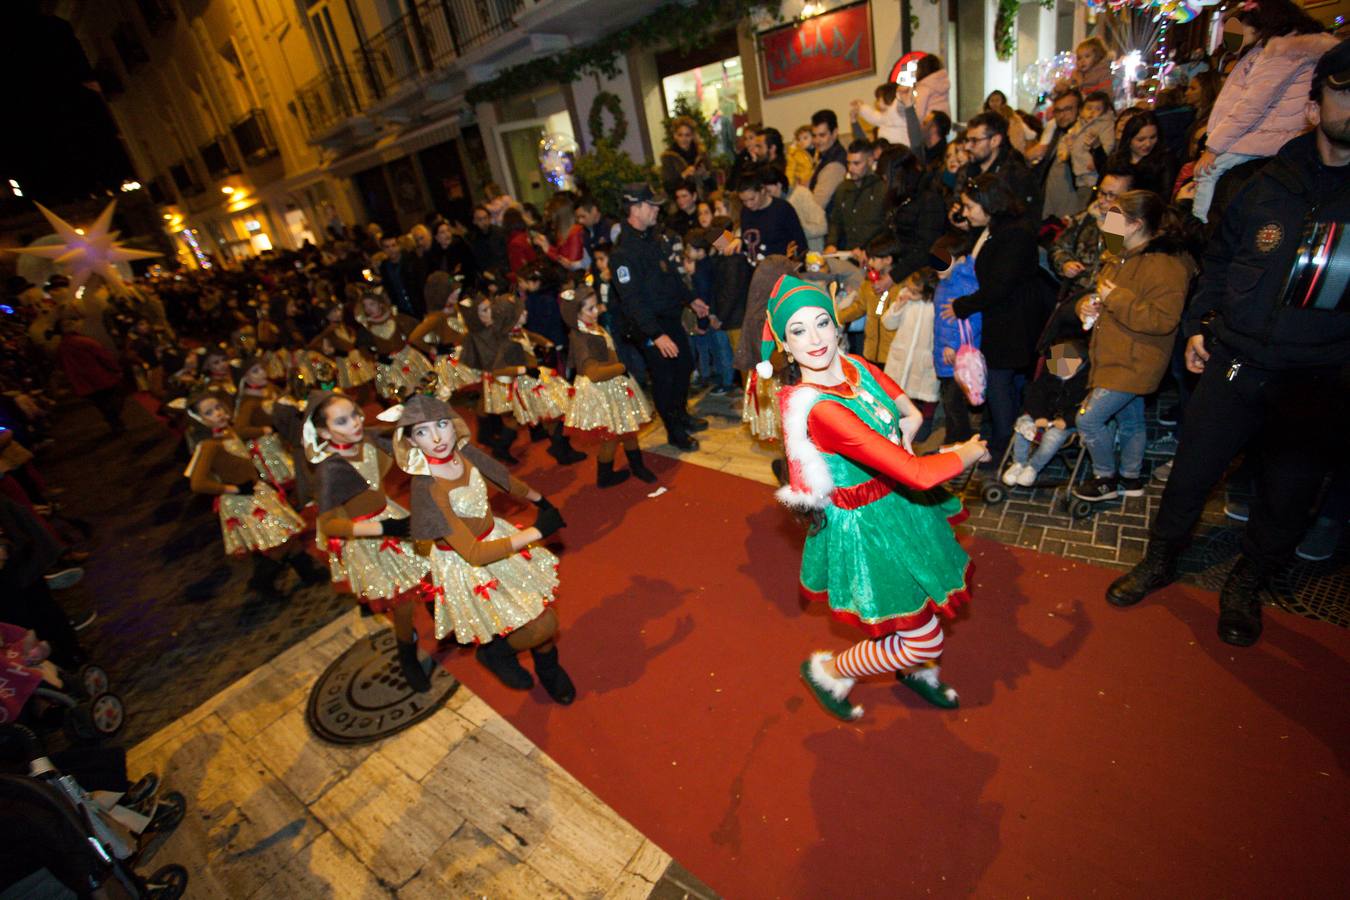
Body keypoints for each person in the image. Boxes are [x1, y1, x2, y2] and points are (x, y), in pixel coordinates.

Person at [1107, 40, 1350, 647]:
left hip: (1318, 373)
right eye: (1344, 91)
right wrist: (1198, 322)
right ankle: (1162, 557)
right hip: (1236, 357)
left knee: (1288, 492)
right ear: (1315, 106)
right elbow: (1217, 263)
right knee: (1192, 472)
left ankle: (1248, 580)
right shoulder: (1262, 182)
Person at [762, 274, 989, 720]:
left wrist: (905, 428)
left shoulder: (856, 368)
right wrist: (965, 453)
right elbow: (915, 473)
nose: (815, 339)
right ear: (785, 347)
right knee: (926, 636)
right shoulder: (822, 409)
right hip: (869, 529)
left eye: (822, 322)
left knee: (918, 604)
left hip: (898, 507)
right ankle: (830, 669)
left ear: (837, 323)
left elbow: (907, 411)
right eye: (798, 330)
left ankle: (915, 669)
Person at [396, 395, 575, 703]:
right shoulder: (427, 489)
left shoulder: (463, 452)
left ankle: (549, 670)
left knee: (536, 610)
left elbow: (503, 478)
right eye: (423, 431)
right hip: (467, 565)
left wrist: (540, 500)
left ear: (454, 425)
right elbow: (473, 554)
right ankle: (495, 653)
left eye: (441, 425)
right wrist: (538, 530)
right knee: (541, 623)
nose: (437, 437)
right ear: (411, 441)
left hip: (498, 539)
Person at [1071, 190, 1194, 503]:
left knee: (1089, 419)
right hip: (1115, 355)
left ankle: (1105, 477)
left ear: (1135, 224)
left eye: (1115, 218)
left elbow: (1163, 319)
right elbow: (1102, 296)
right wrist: (1087, 306)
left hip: (1135, 360)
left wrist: (1116, 299)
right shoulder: (1120, 256)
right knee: (1131, 419)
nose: (1106, 224)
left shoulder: (1165, 265)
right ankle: (1130, 477)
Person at [304, 391, 433, 690]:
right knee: (402, 603)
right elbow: (330, 525)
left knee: (428, 568)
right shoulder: (330, 470)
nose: (355, 423)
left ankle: (438, 616)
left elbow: (401, 448)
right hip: (368, 536)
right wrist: (383, 528)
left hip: (391, 516)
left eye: (355, 414)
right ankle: (406, 651)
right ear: (324, 432)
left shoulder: (369, 439)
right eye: (342, 421)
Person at [1191, 0, 1336, 221]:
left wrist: (1213, 148)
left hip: (1262, 139)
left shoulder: (1281, 51)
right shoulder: (1298, 47)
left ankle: (1198, 225)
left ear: (1258, 24)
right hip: (1277, 140)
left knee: (1206, 173)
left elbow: (1252, 105)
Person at [943, 174, 1050, 463]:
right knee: (1004, 383)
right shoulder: (993, 227)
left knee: (1001, 383)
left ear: (988, 203)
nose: (965, 212)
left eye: (969, 206)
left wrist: (963, 305)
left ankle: (1005, 445)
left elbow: (1000, 286)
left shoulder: (1014, 234)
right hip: (1000, 319)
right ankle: (1007, 439)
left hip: (1014, 322)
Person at [610, 184, 708, 451]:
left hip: (669, 318)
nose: (657, 210)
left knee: (685, 366)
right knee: (665, 378)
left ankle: (681, 415)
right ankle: (674, 432)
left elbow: (671, 276)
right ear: (635, 208)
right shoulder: (623, 254)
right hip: (650, 326)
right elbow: (632, 302)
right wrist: (656, 334)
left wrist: (690, 299)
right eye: (651, 205)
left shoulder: (653, 239)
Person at [560, 285, 657, 487]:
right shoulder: (582, 337)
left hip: (613, 385)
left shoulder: (592, 328)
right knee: (610, 438)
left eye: (596, 306)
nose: (596, 312)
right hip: (601, 392)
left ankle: (637, 466)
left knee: (627, 427)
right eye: (590, 309)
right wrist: (620, 367)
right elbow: (593, 373)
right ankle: (605, 477)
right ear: (576, 313)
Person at [1051, 169, 1134, 299]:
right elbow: (1058, 247)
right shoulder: (1085, 218)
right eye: (1101, 192)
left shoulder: (1132, 232)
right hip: (1074, 296)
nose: (1102, 200)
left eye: (1111, 195)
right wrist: (1065, 264)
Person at [957, 111, 1038, 213]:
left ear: (995, 141)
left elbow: (1021, 221)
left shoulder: (1015, 177)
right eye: (967, 140)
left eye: (974, 141)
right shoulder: (968, 171)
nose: (967, 146)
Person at [55, 318, 125, 435]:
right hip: (100, 378)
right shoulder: (85, 341)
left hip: (82, 383)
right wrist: (116, 369)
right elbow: (104, 357)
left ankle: (115, 423)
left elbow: (61, 366)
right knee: (114, 399)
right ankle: (114, 420)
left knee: (102, 405)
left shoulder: (61, 347)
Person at [824, 140, 887, 255]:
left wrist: (869, 249)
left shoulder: (882, 188)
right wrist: (831, 244)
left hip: (875, 254)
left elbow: (886, 227)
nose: (850, 168)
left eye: (856, 163)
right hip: (849, 253)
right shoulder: (842, 189)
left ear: (870, 160)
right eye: (848, 163)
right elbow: (835, 221)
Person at [1095, 111, 1176, 199]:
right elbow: (1099, 189)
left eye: (1153, 137)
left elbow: (1166, 197)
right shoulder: (1115, 161)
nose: (1148, 144)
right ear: (1129, 139)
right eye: (1141, 139)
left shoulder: (1165, 160)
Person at [737, 163, 808, 262]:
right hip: (753, 270)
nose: (749, 204)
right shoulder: (745, 211)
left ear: (762, 190)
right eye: (744, 201)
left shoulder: (782, 209)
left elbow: (801, 245)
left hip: (779, 268)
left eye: (752, 199)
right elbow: (747, 241)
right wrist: (737, 240)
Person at [660, 115, 714, 197]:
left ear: (692, 136)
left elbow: (713, 185)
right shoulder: (669, 157)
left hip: (703, 201)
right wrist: (683, 175)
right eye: (680, 135)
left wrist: (705, 175)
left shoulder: (701, 154)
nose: (684, 139)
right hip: (682, 203)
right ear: (675, 136)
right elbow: (668, 187)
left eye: (687, 135)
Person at [377, 233, 427, 318]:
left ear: (399, 246)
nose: (391, 249)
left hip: (420, 306)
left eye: (393, 245)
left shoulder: (412, 260)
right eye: (387, 247)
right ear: (383, 249)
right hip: (402, 310)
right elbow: (389, 289)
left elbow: (422, 284)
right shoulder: (384, 267)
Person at [808, 109, 848, 212]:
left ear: (834, 133)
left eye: (822, 135)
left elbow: (816, 207)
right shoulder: (824, 155)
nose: (817, 141)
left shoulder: (835, 165)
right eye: (814, 136)